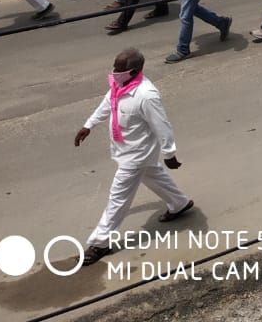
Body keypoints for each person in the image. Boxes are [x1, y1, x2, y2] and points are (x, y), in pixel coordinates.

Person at [75, 48, 193, 266]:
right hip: (125, 150)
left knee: (117, 198)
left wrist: (169, 153)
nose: (114, 73)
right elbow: (107, 103)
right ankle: (179, 203)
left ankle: (100, 243)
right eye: (115, 68)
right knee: (152, 174)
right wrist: (89, 124)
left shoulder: (146, 95)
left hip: (136, 155)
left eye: (120, 70)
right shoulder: (120, 85)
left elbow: (162, 125)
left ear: (135, 71)